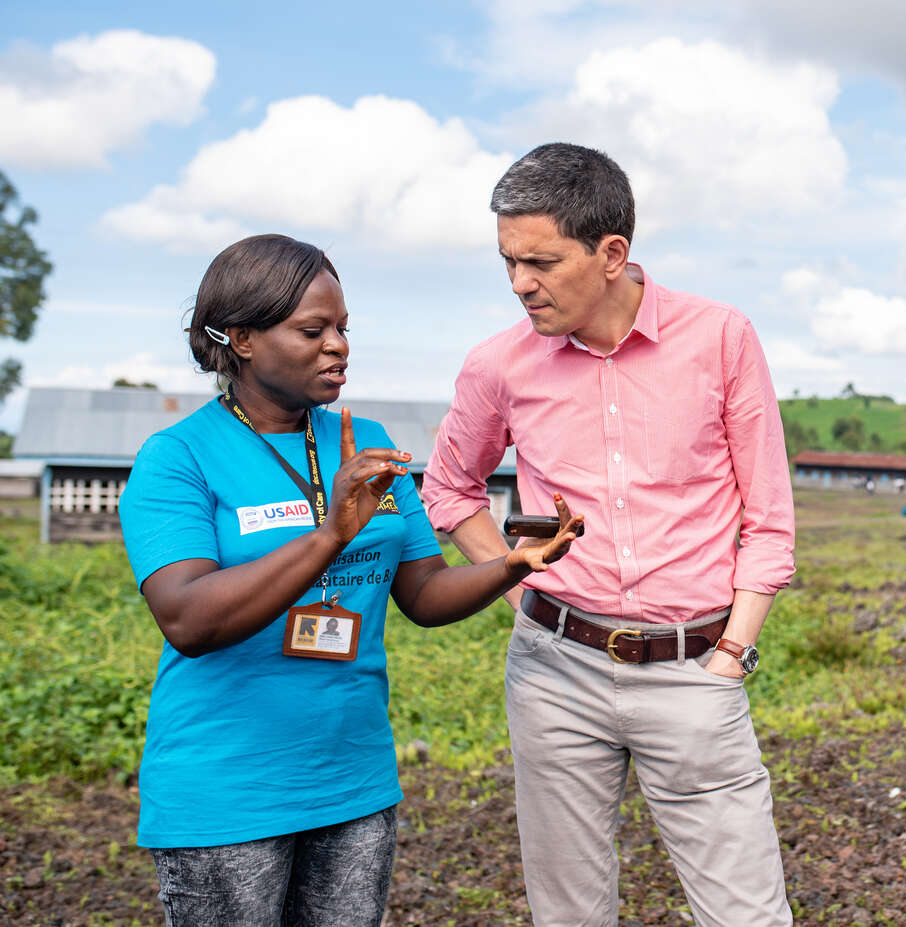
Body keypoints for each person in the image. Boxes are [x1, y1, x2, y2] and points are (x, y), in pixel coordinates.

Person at [119, 234, 580, 927]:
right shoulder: (178, 457)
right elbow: (188, 619)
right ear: (241, 338)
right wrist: (330, 532)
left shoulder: (363, 444)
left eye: (342, 328)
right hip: (226, 794)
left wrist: (509, 566)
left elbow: (423, 593)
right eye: (313, 330)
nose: (338, 345)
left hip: (353, 783)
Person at [421, 143, 795, 926]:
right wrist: (518, 576)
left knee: (746, 914)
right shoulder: (497, 365)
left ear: (612, 253)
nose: (521, 283)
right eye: (509, 263)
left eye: (542, 262)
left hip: (697, 667)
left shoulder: (721, 338)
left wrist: (733, 652)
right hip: (554, 672)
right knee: (568, 915)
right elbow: (449, 489)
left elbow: (768, 516)